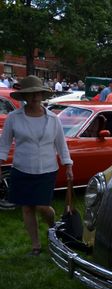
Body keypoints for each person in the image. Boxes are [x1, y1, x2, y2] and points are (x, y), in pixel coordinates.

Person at [0, 75, 73, 256]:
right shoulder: (13, 118)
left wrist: (68, 164)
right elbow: (4, 144)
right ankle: (36, 246)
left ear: (42, 95)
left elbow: (61, 144)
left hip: (47, 169)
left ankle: (53, 227)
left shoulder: (53, 119)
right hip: (22, 168)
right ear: (24, 96)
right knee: (27, 207)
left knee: (42, 206)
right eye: (30, 94)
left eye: (37, 93)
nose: (34, 97)